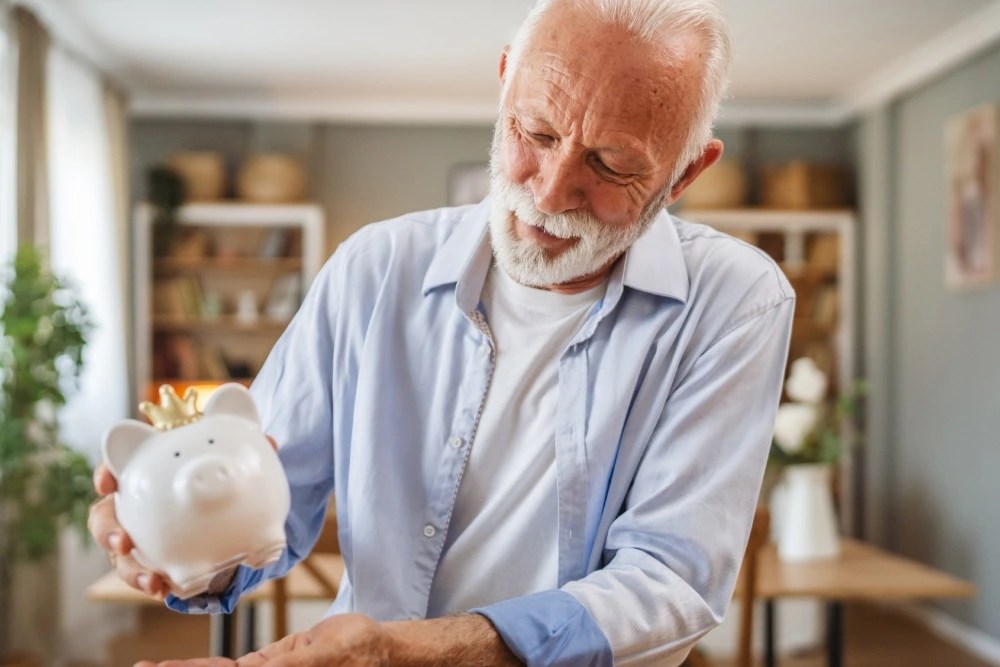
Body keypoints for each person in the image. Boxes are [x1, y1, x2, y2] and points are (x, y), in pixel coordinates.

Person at [89, 0, 795, 664]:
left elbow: (669, 581)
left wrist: (408, 653)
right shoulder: (375, 266)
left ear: (683, 175)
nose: (549, 193)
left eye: (611, 164)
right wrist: (164, 542)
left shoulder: (736, 301)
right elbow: (264, 496)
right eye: (537, 132)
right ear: (502, 87)